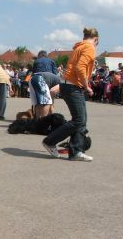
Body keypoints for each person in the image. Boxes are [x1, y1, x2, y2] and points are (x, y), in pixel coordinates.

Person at [42, 27, 99, 162]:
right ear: (96, 39)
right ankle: (50, 141)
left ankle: (76, 151)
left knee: (81, 119)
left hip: (68, 84)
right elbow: (80, 67)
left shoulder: (79, 47)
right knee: (79, 119)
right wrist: (86, 86)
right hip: (73, 85)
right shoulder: (89, 47)